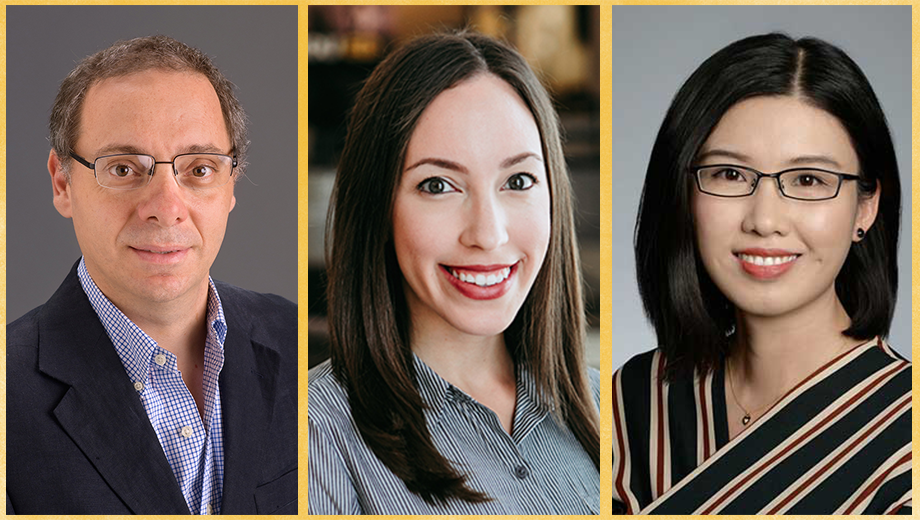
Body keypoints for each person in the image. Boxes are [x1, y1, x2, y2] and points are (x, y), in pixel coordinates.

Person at [613, 33, 911, 514]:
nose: (764, 219)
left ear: (867, 206)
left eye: (809, 180)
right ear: (684, 194)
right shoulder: (633, 398)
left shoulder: (905, 434)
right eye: (730, 174)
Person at [308, 32, 600, 514]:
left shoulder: (605, 407)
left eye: (519, 180)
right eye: (438, 184)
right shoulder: (317, 435)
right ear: (378, 207)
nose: (488, 234)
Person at [6, 36, 297, 515]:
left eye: (199, 168)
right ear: (62, 183)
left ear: (231, 185)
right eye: (123, 168)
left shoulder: (294, 340)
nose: (165, 209)